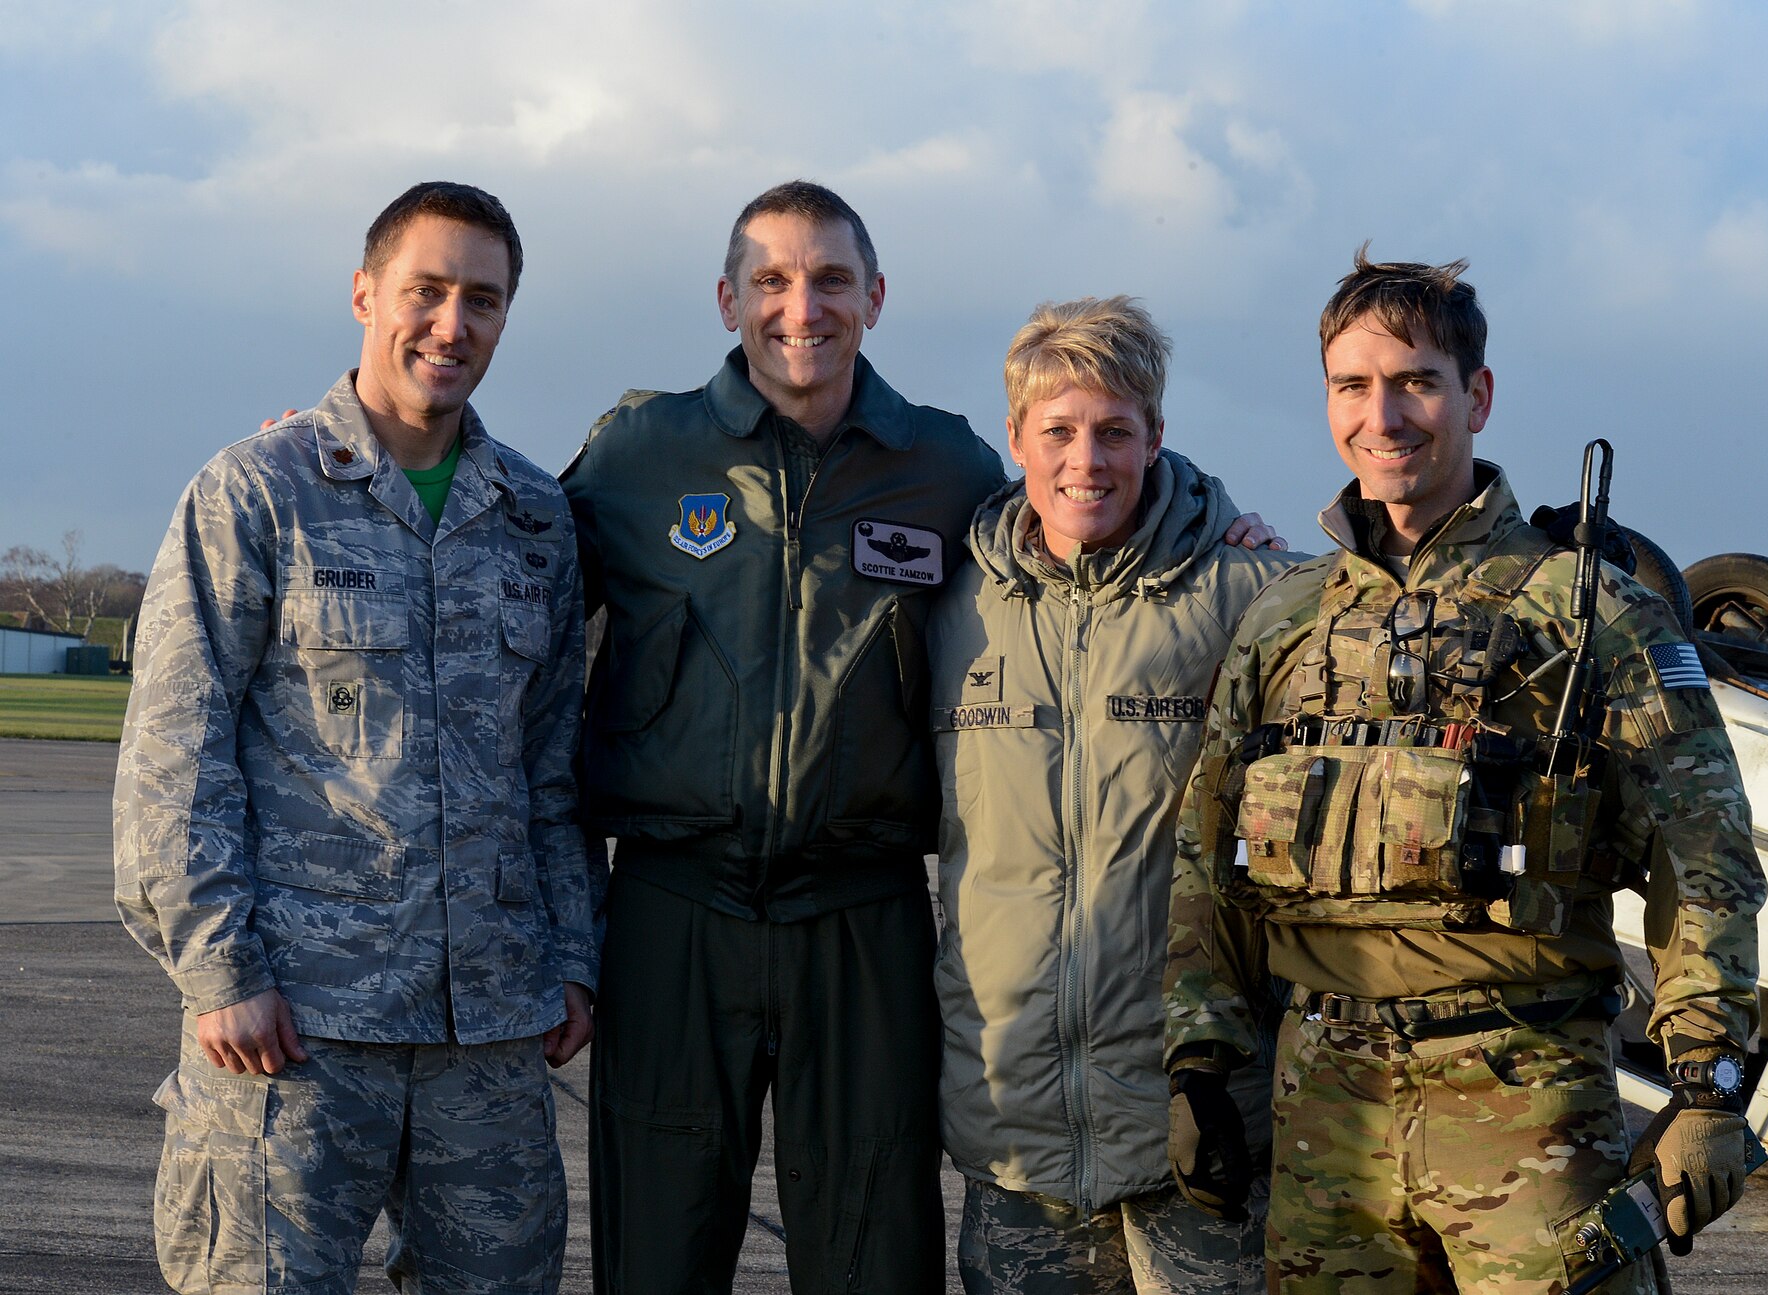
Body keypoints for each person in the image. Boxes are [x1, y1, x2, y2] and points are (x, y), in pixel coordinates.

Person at [562, 183, 1280, 1294]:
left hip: (858, 910)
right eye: (771, 280)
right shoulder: (637, 452)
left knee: (871, 1254)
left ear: (875, 296)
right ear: (726, 300)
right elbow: (508, 551)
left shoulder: (941, 468)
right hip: (675, 906)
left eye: (831, 278)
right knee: (655, 1251)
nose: (802, 306)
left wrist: (1217, 514)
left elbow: (1093, 510)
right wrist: (360, 457)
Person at [1163, 251, 1767, 1293]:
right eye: (1351, 385)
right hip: (1323, 1111)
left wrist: (1705, 1086)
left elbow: (1701, 855)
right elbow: (1204, 858)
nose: (1382, 416)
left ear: (1475, 395)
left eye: (1414, 381)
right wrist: (1200, 1060)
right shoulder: (1283, 620)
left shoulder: (1586, 615)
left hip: (1526, 1102)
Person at [113, 180, 599, 1295]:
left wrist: (571, 956)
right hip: (293, 1028)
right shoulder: (257, 492)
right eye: (425, 290)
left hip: (489, 1033)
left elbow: (553, 769)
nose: (450, 323)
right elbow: (173, 754)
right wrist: (219, 965)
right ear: (363, 292)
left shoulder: (533, 515)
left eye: (482, 299)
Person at [928, 296, 1299, 1294]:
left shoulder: (1246, 591)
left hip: (1192, 1117)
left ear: (1155, 438)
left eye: (1112, 431)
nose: (1083, 459)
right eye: (1056, 430)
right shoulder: (948, 608)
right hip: (1013, 1128)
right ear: (1014, 437)